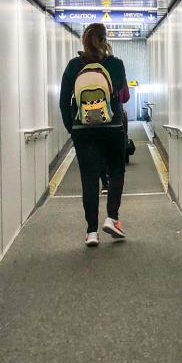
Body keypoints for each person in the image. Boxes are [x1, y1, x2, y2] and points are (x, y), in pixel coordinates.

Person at [59, 23, 129, 247]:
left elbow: (63, 101)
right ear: (105, 40)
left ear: (84, 41)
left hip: (83, 130)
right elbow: (124, 97)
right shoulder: (115, 64)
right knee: (116, 171)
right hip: (112, 128)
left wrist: (73, 127)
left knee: (89, 178)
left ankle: (91, 231)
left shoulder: (73, 66)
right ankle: (112, 218)